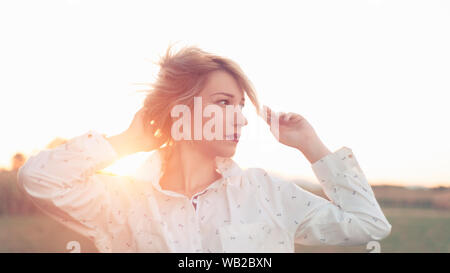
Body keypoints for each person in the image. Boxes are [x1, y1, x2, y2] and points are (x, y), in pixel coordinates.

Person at [17, 46, 391, 253]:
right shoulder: (122, 201)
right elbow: (39, 179)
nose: (241, 119)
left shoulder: (267, 193)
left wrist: (312, 146)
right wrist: (127, 142)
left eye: (241, 106)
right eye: (224, 102)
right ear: (179, 107)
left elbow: (368, 225)